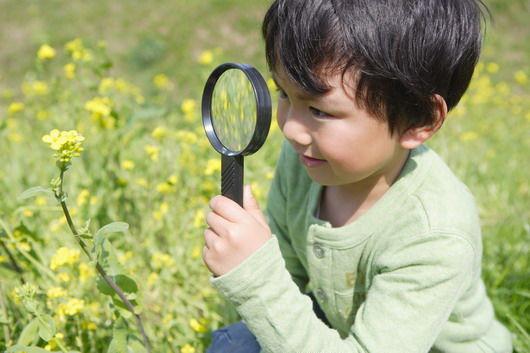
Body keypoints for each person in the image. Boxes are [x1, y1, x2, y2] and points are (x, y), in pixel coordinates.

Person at [202, 0, 513, 352]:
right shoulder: (306, 162)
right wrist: (247, 257)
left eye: (319, 110)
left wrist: (253, 277)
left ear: (419, 119)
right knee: (237, 344)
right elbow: (286, 279)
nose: (290, 128)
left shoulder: (435, 234)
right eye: (283, 94)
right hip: (339, 328)